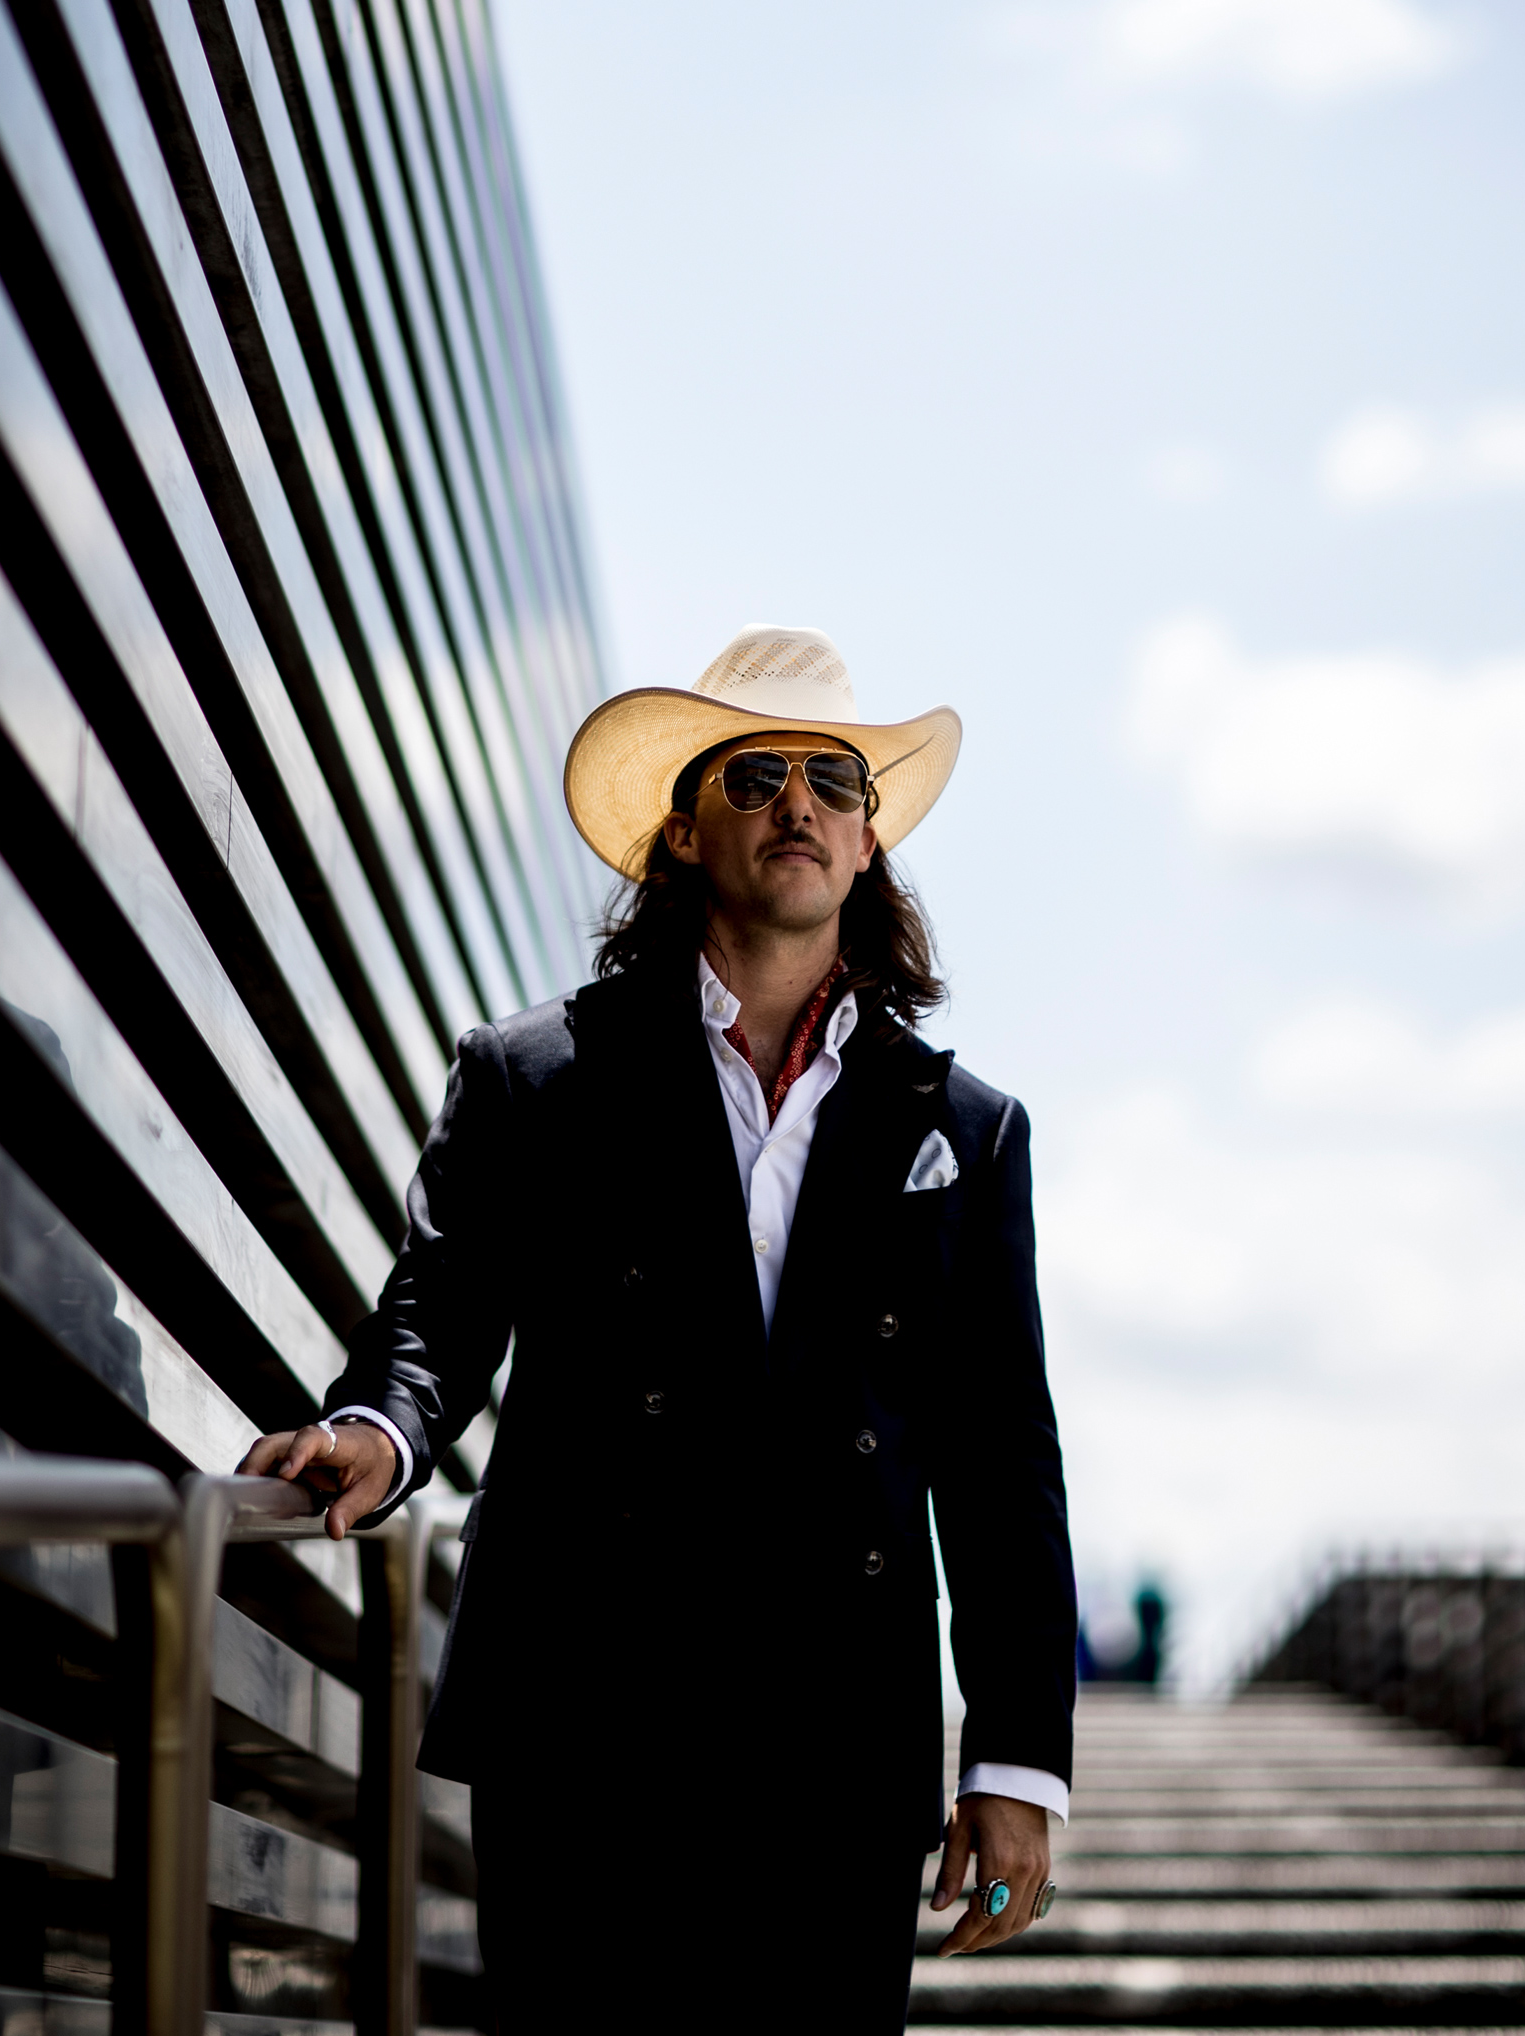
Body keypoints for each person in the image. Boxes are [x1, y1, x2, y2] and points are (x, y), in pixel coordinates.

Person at [240, 625, 1076, 2031]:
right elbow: (440, 1309)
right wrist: (376, 1430)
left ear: (866, 842)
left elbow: (1001, 1460)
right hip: (585, 1714)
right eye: (754, 776)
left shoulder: (966, 1132)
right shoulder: (536, 1075)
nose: (797, 804)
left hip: (838, 1735)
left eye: (833, 781)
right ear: (685, 830)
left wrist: (1015, 1762)